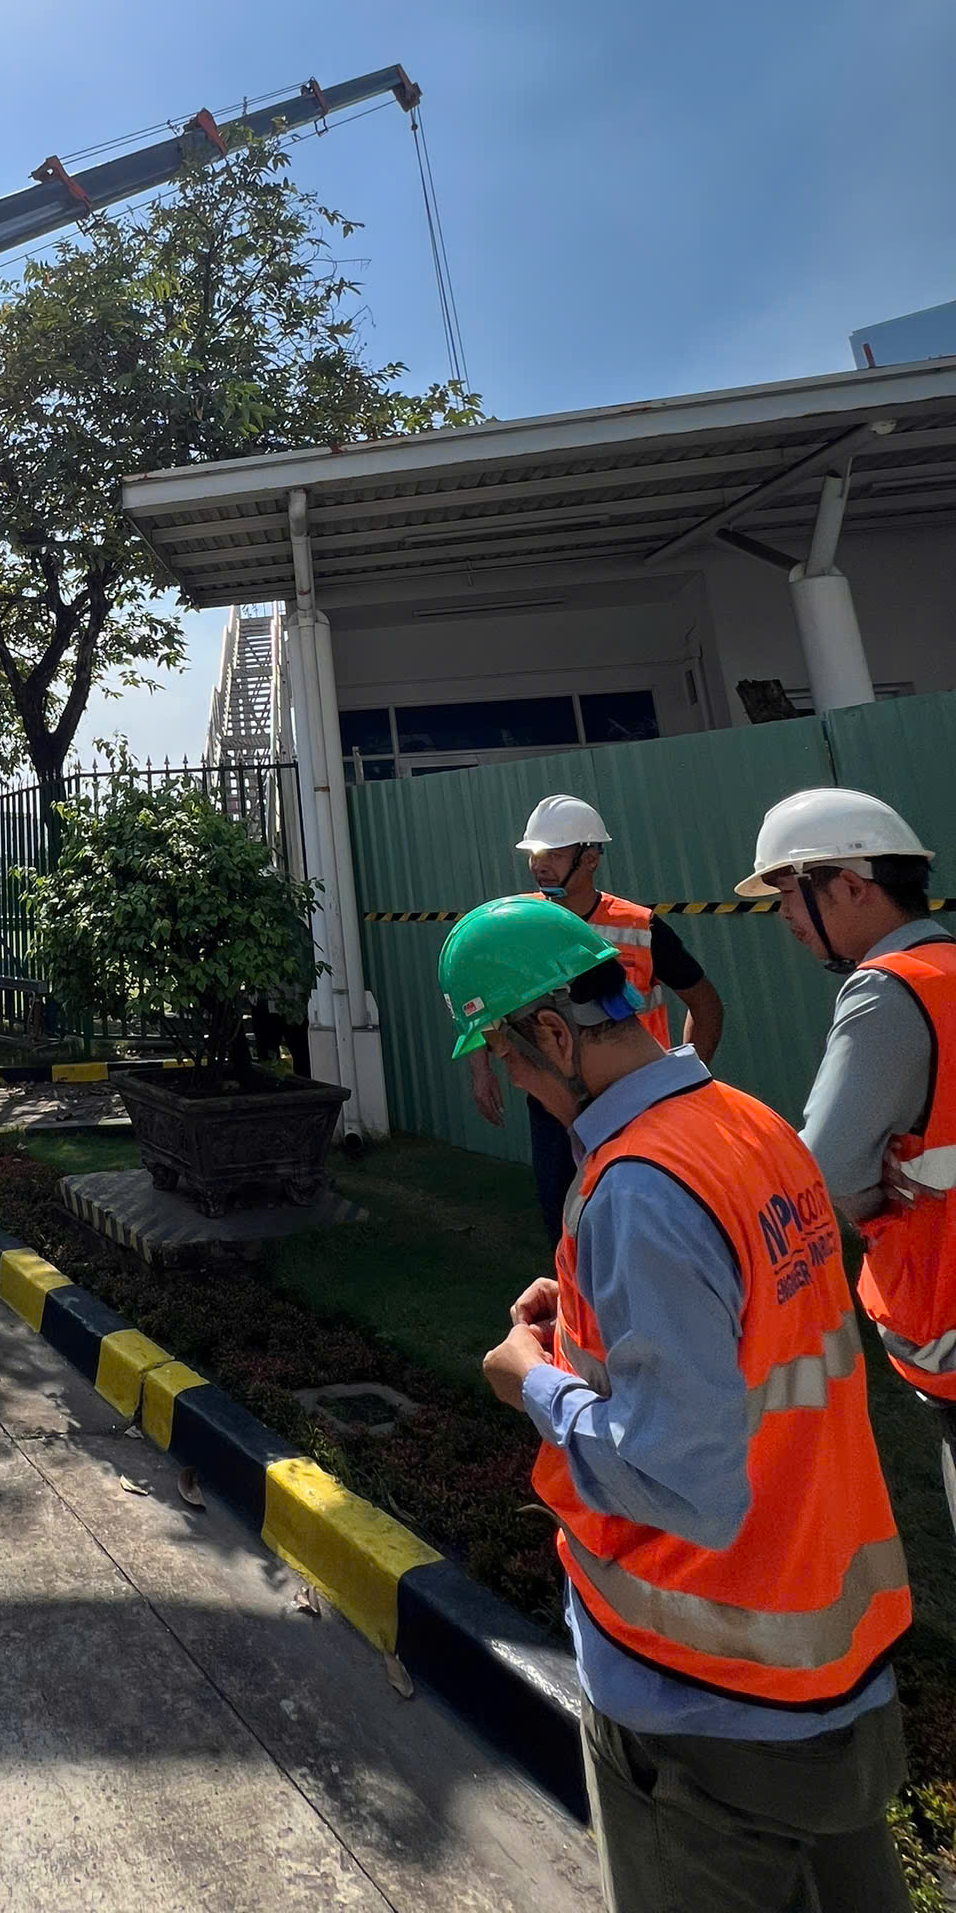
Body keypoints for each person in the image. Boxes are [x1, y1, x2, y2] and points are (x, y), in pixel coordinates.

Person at [443, 894, 912, 1913]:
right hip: (828, 1669)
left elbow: (678, 1481)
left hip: (703, 1703)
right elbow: (754, 1337)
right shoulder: (751, 1125)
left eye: (510, 1058)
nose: (516, 1082)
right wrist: (594, 1313)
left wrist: (533, 1381)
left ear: (555, 1034)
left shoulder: (638, 1187)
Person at [738, 786, 956, 1524]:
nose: (785, 917)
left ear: (853, 886)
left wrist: (869, 1193)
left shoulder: (886, 991)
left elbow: (823, 1174)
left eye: (788, 894)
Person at [465, 794, 726, 1245]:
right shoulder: (517, 923)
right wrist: (481, 1069)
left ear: (590, 858)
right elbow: (482, 1001)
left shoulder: (639, 926)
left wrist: (684, 1081)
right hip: (553, 1104)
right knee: (566, 1229)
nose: (540, 865)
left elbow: (706, 1006)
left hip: (636, 1105)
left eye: (554, 854)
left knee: (640, 1227)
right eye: (534, 854)